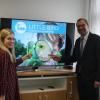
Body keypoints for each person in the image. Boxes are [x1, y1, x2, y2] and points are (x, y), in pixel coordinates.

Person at [51, 18, 100, 100]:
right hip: (80, 77)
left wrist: (98, 79)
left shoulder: (96, 39)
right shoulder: (78, 41)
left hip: (92, 79)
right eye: (78, 26)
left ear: (88, 25)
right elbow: (74, 57)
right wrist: (60, 59)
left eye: (82, 25)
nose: (80, 28)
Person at [0, 28, 32, 100]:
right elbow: (3, 76)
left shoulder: (5, 51)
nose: (12, 41)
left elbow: (11, 65)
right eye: (9, 39)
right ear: (2, 40)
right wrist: (2, 95)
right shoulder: (4, 54)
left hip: (9, 87)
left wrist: (23, 58)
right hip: (7, 90)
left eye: (13, 39)